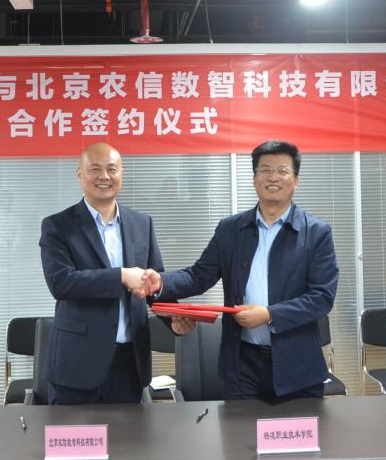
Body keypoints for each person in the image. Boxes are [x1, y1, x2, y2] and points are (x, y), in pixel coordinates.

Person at [140, 140, 338, 400]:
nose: (273, 177)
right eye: (265, 170)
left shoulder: (316, 233)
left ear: (296, 181)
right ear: (255, 179)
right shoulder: (231, 229)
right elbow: (199, 276)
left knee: (296, 428)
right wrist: (160, 282)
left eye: (282, 170)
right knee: (241, 427)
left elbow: (321, 298)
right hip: (242, 363)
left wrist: (269, 314)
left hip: (297, 363)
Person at [39, 142, 164, 404]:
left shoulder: (142, 223)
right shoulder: (58, 226)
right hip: (77, 365)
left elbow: (154, 282)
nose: (104, 176)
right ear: (79, 174)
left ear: (122, 174)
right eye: (95, 169)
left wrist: (173, 318)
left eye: (112, 169)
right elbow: (61, 283)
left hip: (130, 365)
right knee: (74, 432)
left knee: (130, 433)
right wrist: (121, 276)